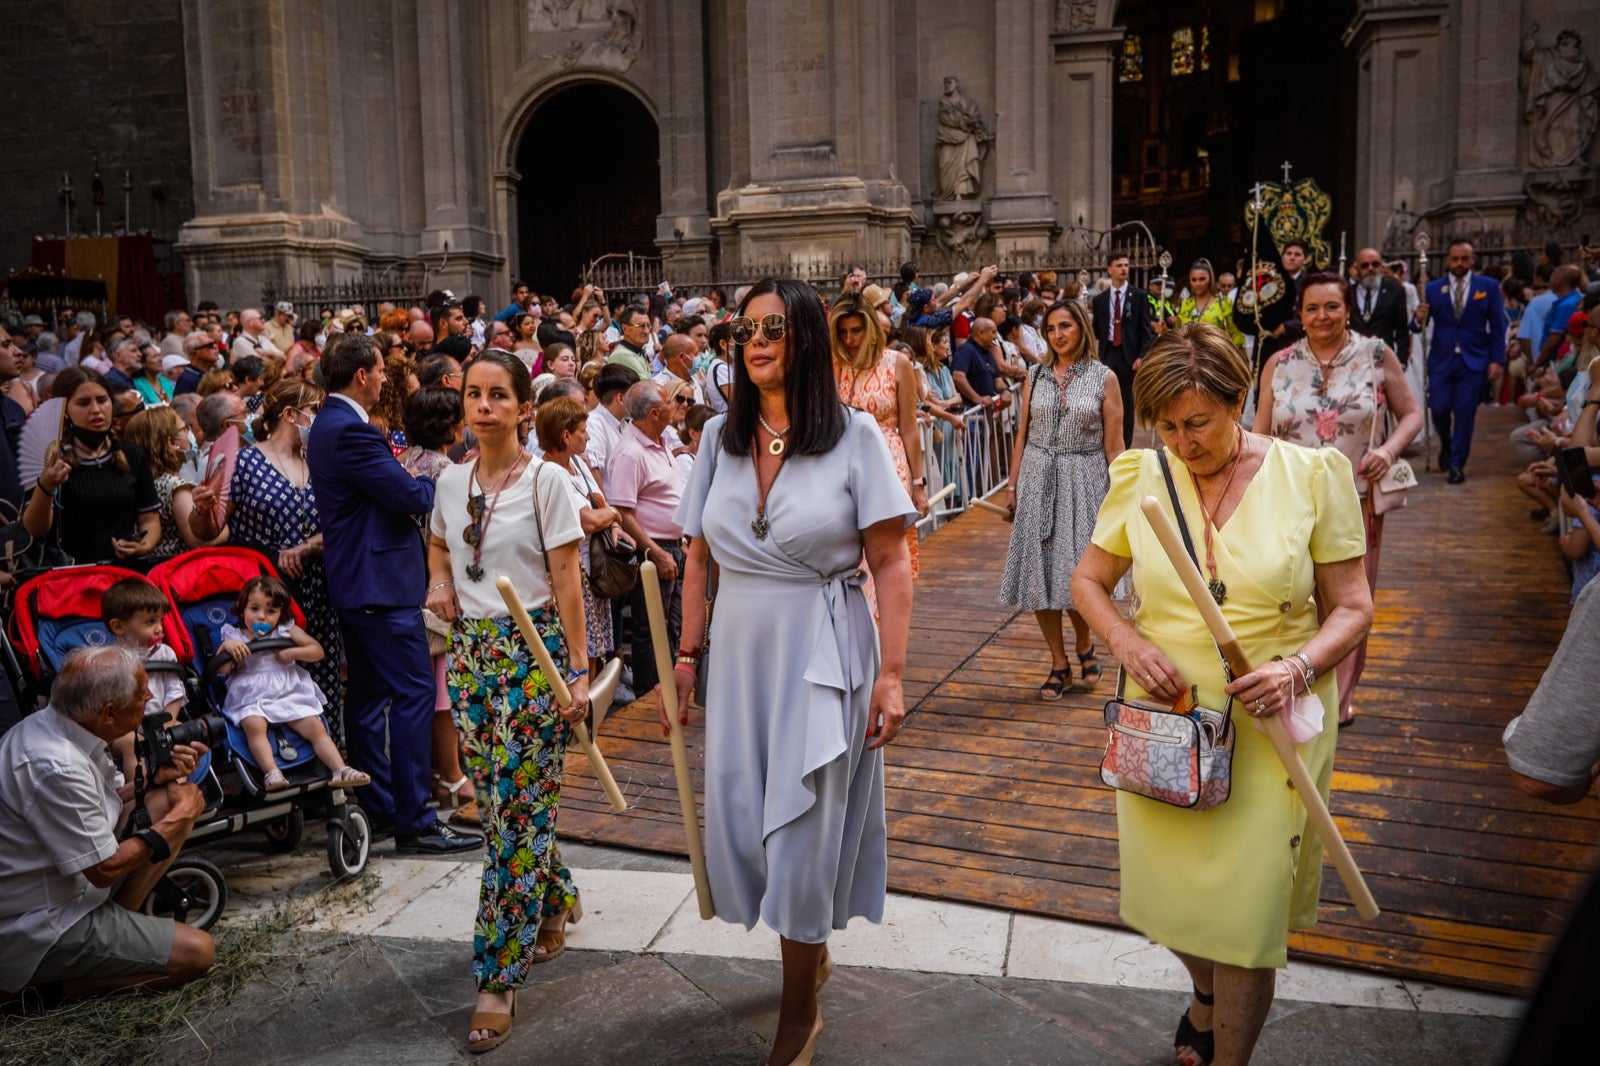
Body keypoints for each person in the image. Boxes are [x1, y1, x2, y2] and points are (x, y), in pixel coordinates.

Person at [1070, 322, 1372, 1066]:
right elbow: (1088, 582)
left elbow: (1356, 607)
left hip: (1273, 719)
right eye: (1168, 425)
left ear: (1240, 398)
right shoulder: (1142, 473)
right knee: (1165, 903)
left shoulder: (1313, 473)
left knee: (1247, 914)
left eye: (1198, 422)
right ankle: (1203, 996)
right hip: (1166, 716)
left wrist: (1298, 669)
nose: (1184, 441)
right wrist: (1127, 641)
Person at [667, 277, 916, 1066]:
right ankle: (807, 955)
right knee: (748, 816)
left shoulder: (855, 436)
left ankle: (799, 1011)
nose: (758, 339)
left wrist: (893, 676)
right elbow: (697, 555)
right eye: (746, 330)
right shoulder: (717, 438)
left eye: (775, 326)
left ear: (805, 336)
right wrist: (685, 655)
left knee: (805, 826)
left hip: (824, 644)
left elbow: (891, 561)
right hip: (739, 650)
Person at [423, 350, 590, 1054]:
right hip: (470, 657)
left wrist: (577, 673)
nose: (483, 406)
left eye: (498, 396)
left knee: (512, 822)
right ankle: (556, 900)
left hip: (534, 655)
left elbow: (568, 582)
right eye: (473, 394)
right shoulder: (450, 480)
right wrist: (440, 584)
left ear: (525, 407)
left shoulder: (549, 482)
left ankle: (497, 977)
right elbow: (438, 544)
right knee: (499, 805)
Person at [309, 333, 477, 854]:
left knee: (367, 699)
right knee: (412, 695)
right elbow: (407, 494)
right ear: (362, 374)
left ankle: (380, 807)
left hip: (360, 580)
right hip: (380, 584)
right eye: (380, 370)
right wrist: (444, 484)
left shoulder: (331, 424)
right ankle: (415, 820)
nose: (385, 378)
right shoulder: (350, 430)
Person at [1254, 274, 1423, 726]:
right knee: (1292, 596)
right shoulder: (1279, 361)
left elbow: (1412, 414)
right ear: (1300, 313)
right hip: (1290, 499)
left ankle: (1339, 699)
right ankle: (1293, 684)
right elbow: (1260, 432)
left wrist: (1388, 451)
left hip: (1355, 498)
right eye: (1312, 308)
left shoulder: (1374, 354)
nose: (1321, 316)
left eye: (1332, 307)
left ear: (1348, 309)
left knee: (1348, 601)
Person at [0, 646, 214, 1000]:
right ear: (110, 712)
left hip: (66, 887)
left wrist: (156, 779)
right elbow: (103, 870)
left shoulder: (61, 725)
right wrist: (178, 819)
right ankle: (39, 993)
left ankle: (117, 932)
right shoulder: (53, 765)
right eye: (140, 693)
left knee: (161, 800)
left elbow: (100, 805)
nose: (148, 696)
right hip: (39, 925)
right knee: (197, 954)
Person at [190, 379, 349, 743]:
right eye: (316, 410)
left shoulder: (322, 461)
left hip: (318, 588)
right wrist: (203, 509)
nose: (322, 419)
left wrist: (308, 545)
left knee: (316, 674)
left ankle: (327, 766)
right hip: (266, 591)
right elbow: (208, 531)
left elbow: (343, 523)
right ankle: (276, 764)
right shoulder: (245, 462)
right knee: (265, 683)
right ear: (290, 415)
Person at [1000, 299, 1124, 699]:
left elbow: (1114, 443)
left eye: (1066, 326)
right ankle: (1058, 662)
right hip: (1038, 476)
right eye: (1051, 328)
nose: (1058, 334)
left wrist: (1121, 492)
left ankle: (1085, 642)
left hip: (1085, 478)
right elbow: (1022, 434)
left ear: (1081, 329)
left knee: (1078, 571)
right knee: (1040, 573)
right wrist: (1013, 485)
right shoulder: (1033, 376)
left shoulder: (1104, 377)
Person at [397, 387, 478, 827]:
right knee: (443, 691)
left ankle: (439, 771)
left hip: (413, 582)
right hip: (439, 585)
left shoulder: (407, 459)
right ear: (452, 425)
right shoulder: (446, 469)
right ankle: (451, 776)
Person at [217, 575, 370, 791]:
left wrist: (294, 652)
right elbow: (221, 670)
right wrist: (228, 650)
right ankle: (272, 772)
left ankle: (340, 769)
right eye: (255, 609)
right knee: (254, 725)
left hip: (287, 691)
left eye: (271, 611)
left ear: (281, 614)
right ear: (242, 609)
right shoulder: (233, 635)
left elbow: (317, 651)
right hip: (251, 694)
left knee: (315, 726)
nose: (262, 616)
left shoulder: (286, 630)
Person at [831, 292, 930, 578]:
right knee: (846, 550)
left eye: (856, 330)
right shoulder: (831, 365)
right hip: (840, 463)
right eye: (843, 331)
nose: (849, 339)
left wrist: (918, 484)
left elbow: (909, 429)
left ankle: (883, 619)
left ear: (871, 328)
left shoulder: (897, 363)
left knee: (886, 552)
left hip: (888, 461)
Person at [23, 369, 161, 564]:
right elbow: (34, 529)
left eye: (102, 400)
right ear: (64, 410)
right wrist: (46, 486)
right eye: (83, 403)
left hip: (123, 571)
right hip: (69, 576)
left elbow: (149, 519)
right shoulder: (50, 459)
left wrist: (144, 546)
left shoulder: (132, 454)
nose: (96, 409)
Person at [608, 381, 686, 697]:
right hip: (651, 550)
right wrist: (655, 552)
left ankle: (664, 689)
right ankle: (647, 694)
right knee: (649, 627)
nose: (677, 405)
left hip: (669, 545)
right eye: (671, 401)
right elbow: (623, 513)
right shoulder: (631, 452)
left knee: (666, 625)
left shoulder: (660, 440)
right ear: (654, 413)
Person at [537, 394, 621, 667]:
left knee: (595, 653)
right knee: (579, 653)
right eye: (582, 431)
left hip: (592, 573)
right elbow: (588, 521)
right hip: (571, 575)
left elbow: (601, 505)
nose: (587, 437)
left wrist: (612, 518)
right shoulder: (548, 472)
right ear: (565, 435)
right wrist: (614, 515)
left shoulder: (579, 464)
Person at [1414, 239, 1507, 483]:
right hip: (1442, 357)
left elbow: (1498, 325)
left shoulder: (1489, 286)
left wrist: (1497, 359)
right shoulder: (1433, 288)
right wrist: (1417, 317)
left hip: (1474, 359)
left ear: (1473, 259)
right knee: (1439, 407)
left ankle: (1457, 463)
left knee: (1465, 412)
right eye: (1455, 259)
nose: (1459, 263)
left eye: (1464, 259)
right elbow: (1416, 326)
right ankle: (1447, 442)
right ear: (1447, 260)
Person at [100, 577, 189, 783]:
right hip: (125, 727)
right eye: (150, 622)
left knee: (181, 737)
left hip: (163, 717)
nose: (159, 628)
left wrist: (169, 718)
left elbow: (175, 689)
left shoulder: (165, 654)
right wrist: (130, 726)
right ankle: (140, 791)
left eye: (160, 620)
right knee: (132, 746)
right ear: (119, 626)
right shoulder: (110, 660)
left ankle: (176, 783)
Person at [123, 406, 214, 557]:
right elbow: (198, 541)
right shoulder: (176, 487)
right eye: (185, 429)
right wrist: (225, 530)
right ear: (171, 442)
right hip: (179, 568)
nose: (190, 434)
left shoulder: (142, 483)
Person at [1092, 252, 1156, 446]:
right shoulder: (1100, 300)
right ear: (1110, 269)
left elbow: (1146, 331)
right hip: (1109, 353)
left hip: (1129, 356)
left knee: (1127, 404)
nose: (1124, 269)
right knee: (1106, 400)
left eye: (1126, 265)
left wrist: (1142, 355)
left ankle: (1124, 444)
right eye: (1119, 265)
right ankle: (1107, 441)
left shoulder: (1139, 296)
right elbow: (1097, 329)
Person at [1348, 247, 1411, 367]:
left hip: (1384, 358)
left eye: (1375, 264)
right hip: (1354, 359)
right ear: (1358, 269)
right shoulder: (1348, 292)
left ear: (1381, 266)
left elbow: (1402, 330)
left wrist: (1401, 362)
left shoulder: (1395, 291)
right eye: (1365, 265)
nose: (1370, 268)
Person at [1176, 260, 1245, 351]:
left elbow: (1236, 335)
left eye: (1202, 279)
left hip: (1217, 357)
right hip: (1188, 358)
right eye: (1194, 279)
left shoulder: (1224, 303)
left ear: (1210, 279)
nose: (1198, 283)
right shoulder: (1185, 304)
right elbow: (1178, 334)